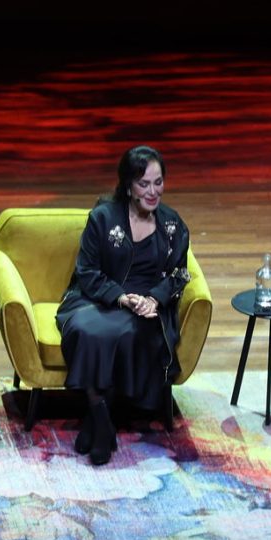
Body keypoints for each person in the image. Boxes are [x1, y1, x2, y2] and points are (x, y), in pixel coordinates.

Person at [58, 146, 192, 464]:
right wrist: (120, 296)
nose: (152, 191)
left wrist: (154, 299)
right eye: (144, 184)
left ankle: (95, 422)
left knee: (129, 333)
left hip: (146, 307)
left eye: (158, 183)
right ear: (129, 185)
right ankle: (101, 417)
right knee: (86, 328)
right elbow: (87, 272)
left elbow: (179, 274)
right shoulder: (103, 218)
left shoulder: (172, 225)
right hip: (100, 298)